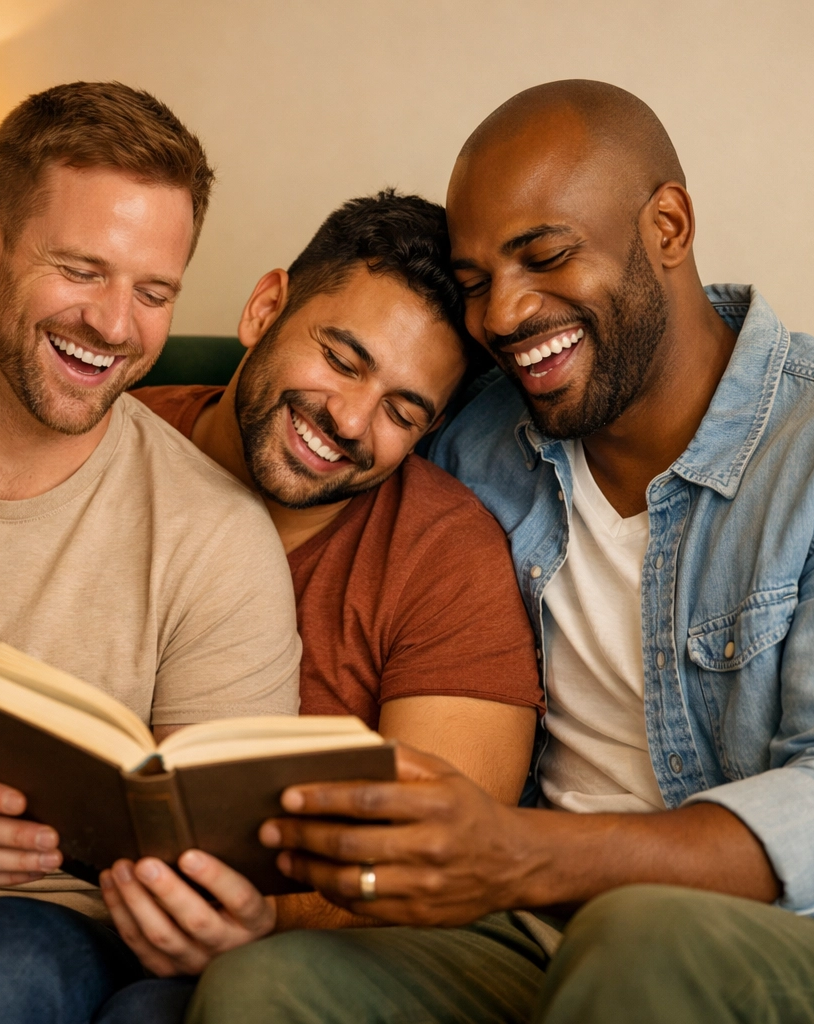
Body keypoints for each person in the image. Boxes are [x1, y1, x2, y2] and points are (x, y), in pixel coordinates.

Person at [186, 80, 814, 1023]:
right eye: (476, 281)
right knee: (263, 986)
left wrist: (518, 850)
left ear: (668, 226)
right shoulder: (476, 433)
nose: (501, 315)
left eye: (544, 257)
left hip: (784, 939)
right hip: (524, 926)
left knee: (641, 938)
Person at [0, 81, 302, 1024]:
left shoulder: (215, 539)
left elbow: (219, 855)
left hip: (18, 943)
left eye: (153, 291)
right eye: (83, 270)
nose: (116, 325)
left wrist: (216, 916)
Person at [93, 190, 541, 1004]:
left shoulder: (445, 557)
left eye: (403, 412)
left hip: (258, 949)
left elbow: (435, 858)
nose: (347, 419)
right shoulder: (104, 439)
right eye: (340, 359)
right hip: (23, 903)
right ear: (266, 308)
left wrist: (263, 913)